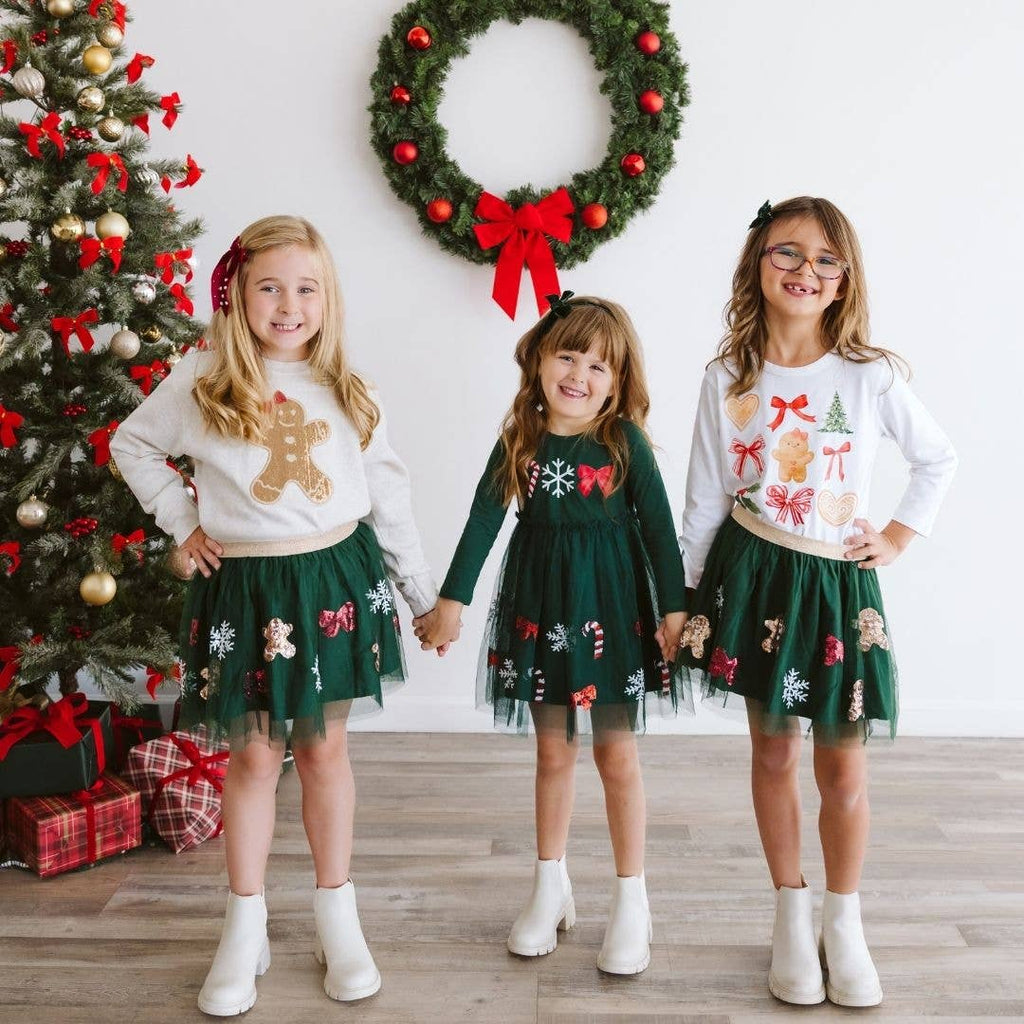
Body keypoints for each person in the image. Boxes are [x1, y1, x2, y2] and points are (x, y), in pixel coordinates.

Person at [110, 215, 440, 1014]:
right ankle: (244, 924)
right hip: (247, 593)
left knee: (323, 750)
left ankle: (338, 914)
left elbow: (387, 496)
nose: (287, 305)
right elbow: (133, 444)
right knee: (255, 757)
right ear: (236, 294)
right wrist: (183, 525)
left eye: (306, 288)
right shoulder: (202, 378)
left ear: (326, 300)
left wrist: (421, 595)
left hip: (331, 587)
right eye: (269, 287)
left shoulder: (347, 390)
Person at [678, 197, 957, 1006]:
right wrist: (685, 600)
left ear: (844, 280)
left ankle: (845, 918)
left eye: (825, 259)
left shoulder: (869, 377)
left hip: (836, 585)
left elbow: (936, 460)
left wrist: (898, 537)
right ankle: (790, 914)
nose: (806, 271)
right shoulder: (727, 378)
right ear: (757, 266)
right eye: (787, 254)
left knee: (843, 765)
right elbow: (703, 498)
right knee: (772, 752)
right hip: (756, 576)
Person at [414, 292, 688, 975]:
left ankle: (632, 900)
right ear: (538, 360)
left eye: (599, 366)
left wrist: (675, 609)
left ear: (619, 383)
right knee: (553, 754)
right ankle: (550, 883)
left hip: (616, 614)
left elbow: (657, 529)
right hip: (543, 612)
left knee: (616, 757)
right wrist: (452, 601)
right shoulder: (522, 440)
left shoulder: (623, 443)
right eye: (567, 356)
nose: (579, 375)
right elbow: (483, 521)